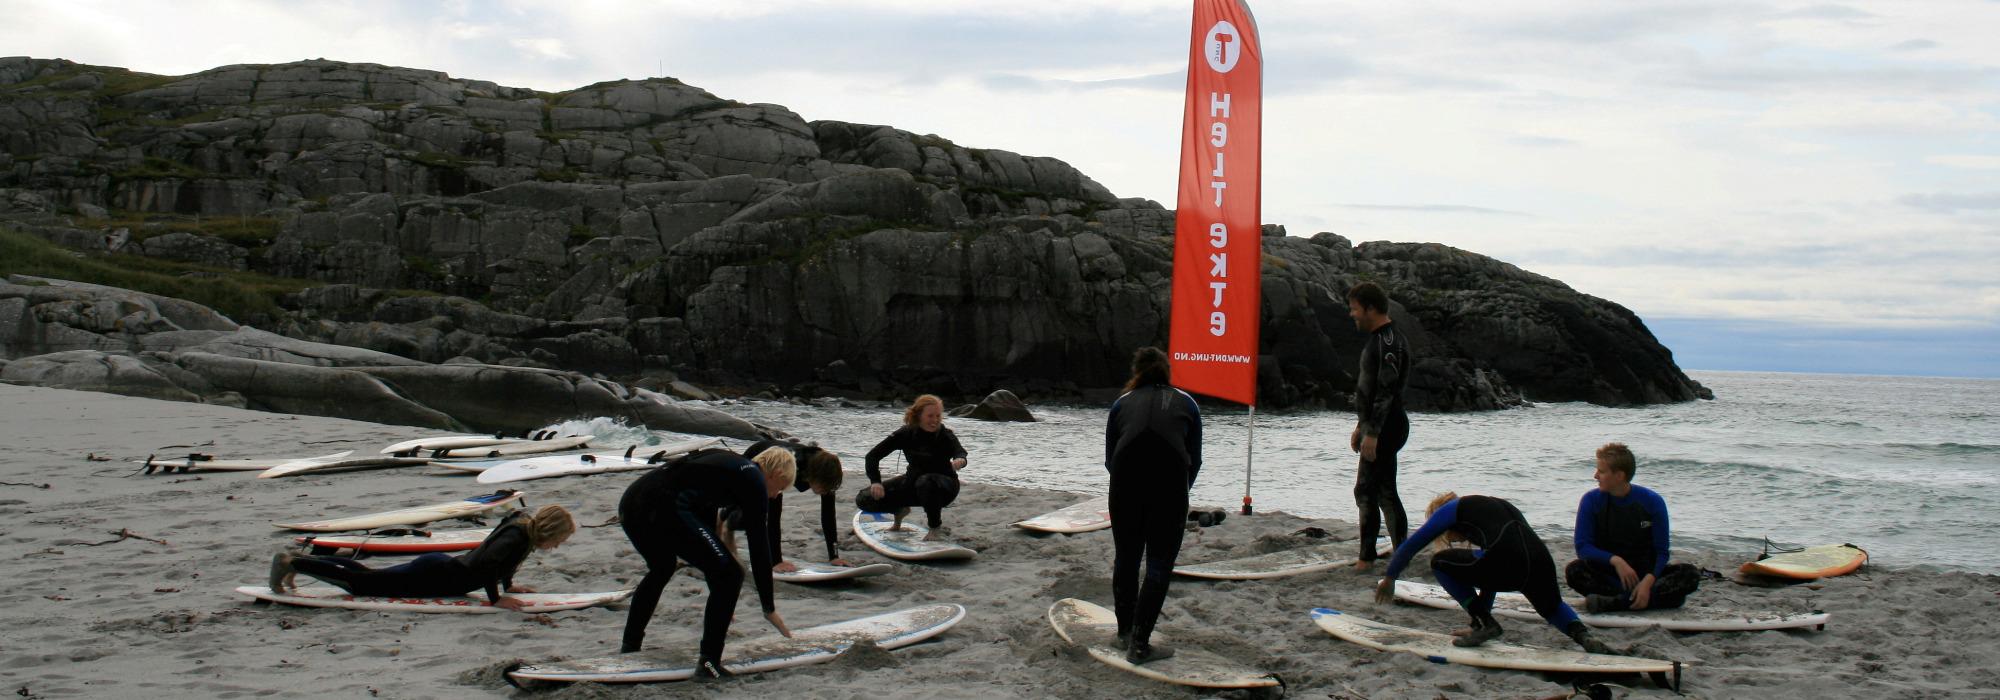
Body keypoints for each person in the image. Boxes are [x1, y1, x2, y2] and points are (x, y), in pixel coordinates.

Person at [618, 448, 796, 677]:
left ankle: (630, 646)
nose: (775, 496)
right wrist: (768, 608)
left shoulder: (727, 467)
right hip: (661, 506)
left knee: (663, 567)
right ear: (775, 473)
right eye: (780, 488)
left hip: (632, 504)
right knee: (732, 575)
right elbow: (759, 546)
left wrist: (721, 599)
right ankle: (709, 663)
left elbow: (707, 540)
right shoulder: (753, 479)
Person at [1373, 492, 1615, 654]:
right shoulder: (1495, 508)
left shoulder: (1450, 512)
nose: (1452, 540)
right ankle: (1584, 637)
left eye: (1449, 536)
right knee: (1551, 607)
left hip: (1508, 560)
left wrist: (1390, 577)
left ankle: (1485, 624)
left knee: (1439, 562)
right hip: (1541, 559)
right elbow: (1491, 580)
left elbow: (1411, 546)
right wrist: (1479, 621)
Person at [267, 504, 575, 611]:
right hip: (439, 576)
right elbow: (490, 563)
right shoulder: (519, 536)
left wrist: (510, 586)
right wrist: (496, 599)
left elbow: (501, 562)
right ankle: (291, 563)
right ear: (550, 530)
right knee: (361, 585)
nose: (558, 545)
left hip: (441, 567)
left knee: (367, 575)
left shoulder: (522, 527)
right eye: (560, 539)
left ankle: (297, 563)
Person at [1103, 347, 1203, 665]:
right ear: (1167, 371)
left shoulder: (1121, 404)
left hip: (1124, 486)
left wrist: (1128, 489)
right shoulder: (1187, 403)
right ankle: (1140, 644)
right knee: (1159, 565)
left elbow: (1110, 460)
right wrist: (1180, 495)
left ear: (1136, 372)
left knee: (1127, 558)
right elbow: (1195, 460)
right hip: (1169, 488)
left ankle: (1123, 633)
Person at [1567, 442, 1700, 612]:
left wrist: (1647, 582)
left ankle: (1619, 602)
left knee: (1690, 574)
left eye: (1601, 471)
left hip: (1646, 575)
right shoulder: (1591, 500)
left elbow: (1661, 551)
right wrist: (1616, 561)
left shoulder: (1652, 502)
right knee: (1574, 570)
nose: (1595, 476)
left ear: (1619, 476)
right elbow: (1583, 547)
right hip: (1611, 575)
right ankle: (1647, 601)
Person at [1347, 281, 1411, 570]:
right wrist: (1362, 426)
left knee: (1366, 490)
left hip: (1388, 426)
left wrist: (1372, 432)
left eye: (1355, 309)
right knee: (1384, 489)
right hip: (1378, 425)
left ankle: (1367, 558)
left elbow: (1386, 390)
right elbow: (1369, 392)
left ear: (1370, 309)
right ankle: (1400, 552)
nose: (1353, 315)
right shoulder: (1378, 339)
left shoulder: (1388, 343)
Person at [856, 395, 967, 540]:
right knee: (864, 498)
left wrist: (960, 461)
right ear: (919, 415)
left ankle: (934, 528)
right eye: (930, 416)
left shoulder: (945, 435)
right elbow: (872, 456)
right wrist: (875, 482)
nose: (935, 420)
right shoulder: (906, 433)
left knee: (926, 481)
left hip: (944, 487)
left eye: (938, 416)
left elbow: (960, 453)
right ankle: (899, 510)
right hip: (913, 483)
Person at [733, 439, 849, 572]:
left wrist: (834, 556)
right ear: (813, 477)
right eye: (825, 488)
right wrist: (776, 561)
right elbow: (774, 516)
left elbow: (828, 515)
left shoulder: (826, 469)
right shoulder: (786, 467)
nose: (826, 491)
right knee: (750, 514)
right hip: (757, 459)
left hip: (788, 461)